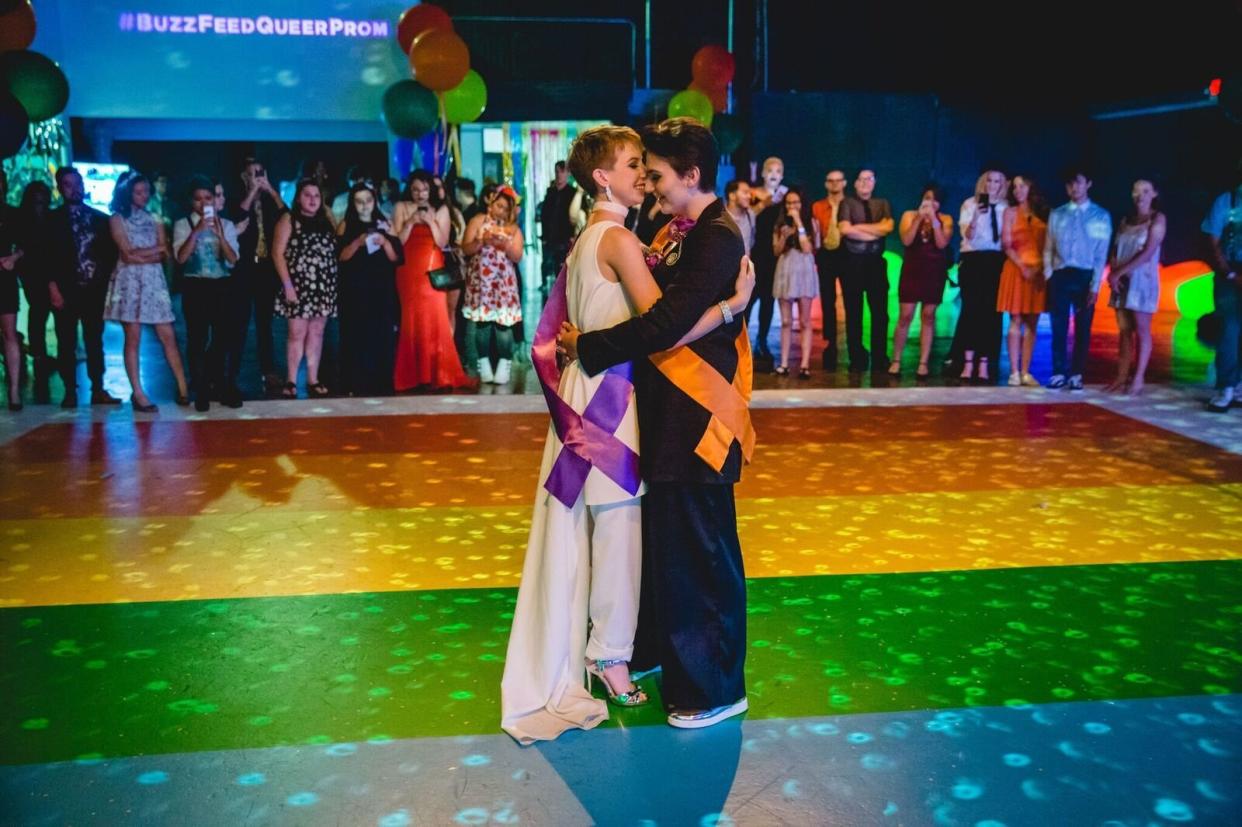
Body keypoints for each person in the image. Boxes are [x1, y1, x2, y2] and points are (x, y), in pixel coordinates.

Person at [501, 124, 753, 744]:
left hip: (684, 418)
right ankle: (639, 655)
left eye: (655, 170)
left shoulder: (710, 235)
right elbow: (663, 317)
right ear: (602, 177)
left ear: (690, 174)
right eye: (637, 167)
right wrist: (725, 307)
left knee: (689, 549)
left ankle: (709, 684)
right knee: (656, 545)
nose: (647, 180)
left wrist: (586, 345)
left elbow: (665, 322)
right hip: (639, 411)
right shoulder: (647, 235)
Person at [103, 171, 189, 412]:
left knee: (168, 334)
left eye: (145, 191)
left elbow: (165, 252)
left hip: (153, 281)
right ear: (127, 193)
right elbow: (127, 255)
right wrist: (153, 251)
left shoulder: (155, 218)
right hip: (129, 282)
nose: (143, 196)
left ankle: (183, 387)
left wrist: (146, 253)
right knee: (133, 338)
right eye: (138, 192)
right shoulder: (117, 219)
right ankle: (138, 393)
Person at [47, 167, 122, 408]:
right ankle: (70, 389)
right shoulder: (52, 220)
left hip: (93, 289)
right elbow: (43, 257)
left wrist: (106, 284)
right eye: (68, 184)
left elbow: (111, 256)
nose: (75, 188)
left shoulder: (99, 218)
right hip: (65, 288)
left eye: (77, 183)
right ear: (60, 188)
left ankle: (98, 387)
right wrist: (53, 288)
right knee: (66, 340)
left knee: (94, 339)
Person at [391, 170, 471, 391]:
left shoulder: (442, 209)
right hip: (407, 270)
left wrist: (430, 221)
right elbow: (397, 241)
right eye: (416, 189)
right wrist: (410, 222)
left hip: (431, 268)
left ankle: (438, 374)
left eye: (425, 189)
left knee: (436, 319)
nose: (420, 194)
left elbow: (442, 240)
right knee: (410, 319)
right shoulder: (401, 208)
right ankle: (412, 376)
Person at [173, 176, 241, 411]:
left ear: (215, 200)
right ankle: (201, 389)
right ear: (191, 201)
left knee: (222, 338)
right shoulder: (183, 224)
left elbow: (233, 260)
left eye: (208, 198)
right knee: (197, 338)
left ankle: (219, 384)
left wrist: (220, 235)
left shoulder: (227, 224)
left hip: (221, 286)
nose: (203, 203)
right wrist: (197, 231)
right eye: (198, 199)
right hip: (195, 286)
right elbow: (181, 258)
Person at [1044, 168, 1112, 392]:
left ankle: (1076, 373)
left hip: (1085, 275)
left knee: (1083, 327)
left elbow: (1101, 253)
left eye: (1079, 183)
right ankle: (1058, 372)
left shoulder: (1100, 215)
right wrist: (1048, 274)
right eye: (1070, 184)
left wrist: (1095, 285)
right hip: (1061, 274)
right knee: (1058, 325)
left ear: (1088, 184)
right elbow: (1048, 247)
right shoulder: (1058, 213)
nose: (1075, 188)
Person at [272, 178, 339, 399]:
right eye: (307, 195)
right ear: (299, 197)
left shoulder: (326, 220)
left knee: (317, 332)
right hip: (299, 286)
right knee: (296, 333)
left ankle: (313, 378)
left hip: (323, 286)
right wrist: (288, 286)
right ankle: (291, 380)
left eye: (316, 196)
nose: (312, 200)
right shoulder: (288, 219)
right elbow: (277, 253)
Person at [337, 183, 402, 397]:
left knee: (382, 335)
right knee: (356, 335)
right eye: (359, 201)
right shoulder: (346, 224)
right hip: (355, 290)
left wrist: (384, 242)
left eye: (368, 200)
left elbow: (397, 258)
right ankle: (355, 382)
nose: (364, 206)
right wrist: (358, 242)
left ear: (374, 201)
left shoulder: (385, 223)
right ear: (353, 204)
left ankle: (382, 381)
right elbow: (341, 257)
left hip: (381, 288)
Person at [231, 158, 286, 397]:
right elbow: (236, 215)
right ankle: (232, 373)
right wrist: (252, 191)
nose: (257, 177)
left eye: (261, 173)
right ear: (244, 177)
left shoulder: (270, 201)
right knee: (239, 321)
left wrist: (270, 189)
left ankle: (269, 370)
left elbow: (286, 214)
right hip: (243, 268)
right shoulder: (236, 197)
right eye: (253, 174)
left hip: (265, 268)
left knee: (265, 323)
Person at [1105, 180, 1166, 396]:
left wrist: (1119, 273)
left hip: (1142, 281)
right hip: (1121, 281)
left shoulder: (1157, 219)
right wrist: (1114, 271)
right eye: (1137, 191)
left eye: (1146, 191)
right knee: (1124, 331)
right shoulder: (1125, 220)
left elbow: (1148, 251)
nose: (1140, 195)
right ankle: (1121, 377)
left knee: (1141, 330)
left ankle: (1138, 378)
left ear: (1154, 193)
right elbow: (1115, 249)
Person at [462, 186, 524, 386]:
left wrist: (505, 245)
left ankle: (504, 364)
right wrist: (482, 241)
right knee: (482, 324)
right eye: (498, 206)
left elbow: (517, 255)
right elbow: (466, 248)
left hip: (502, 284)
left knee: (503, 326)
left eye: (506, 208)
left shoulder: (513, 229)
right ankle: (484, 363)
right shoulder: (478, 221)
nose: (501, 211)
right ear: (491, 203)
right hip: (482, 283)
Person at [891, 184, 953, 378]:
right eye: (927, 198)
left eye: (934, 199)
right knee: (905, 315)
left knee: (928, 315)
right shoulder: (909, 215)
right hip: (912, 269)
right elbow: (906, 240)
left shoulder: (945, 219)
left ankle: (923, 362)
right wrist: (919, 218)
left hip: (934, 271)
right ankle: (896, 360)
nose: (930, 202)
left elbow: (942, 243)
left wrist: (933, 219)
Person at [954, 170, 1009, 382]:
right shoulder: (969, 204)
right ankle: (968, 363)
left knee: (991, 313)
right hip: (973, 259)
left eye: (997, 181)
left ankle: (984, 363)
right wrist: (977, 214)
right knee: (971, 310)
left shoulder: (1006, 208)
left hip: (995, 261)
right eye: (989, 181)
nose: (993, 185)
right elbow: (966, 234)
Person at [837, 168, 895, 372]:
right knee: (854, 313)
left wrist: (858, 228)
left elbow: (888, 228)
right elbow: (844, 229)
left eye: (869, 179)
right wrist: (875, 230)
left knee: (880, 313)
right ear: (855, 183)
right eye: (861, 179)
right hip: (852, 263)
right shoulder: (847, 203)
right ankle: (857, 357)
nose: (865, 182)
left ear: (874, 182)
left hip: (876, 264)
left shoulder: (882, 203)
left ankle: (880, 356)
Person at [996, 175, 1048, 387]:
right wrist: (1023, 266)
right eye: (1015, 187)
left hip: (1038, 271)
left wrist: (1038, 267)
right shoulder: (1010, 213)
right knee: (1016, 319)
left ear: (1030, 188)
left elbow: (1050, 244)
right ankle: (1014, 372)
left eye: (1022, 186)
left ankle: (1026, 371)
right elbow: (1007, 244)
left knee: (1033, 322)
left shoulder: (1042, 213)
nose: (1018, 190)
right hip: (1016, 269)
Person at [1204, 162, 1242, 412]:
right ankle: (1225, 386)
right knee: (1229, 328)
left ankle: (1238, 384)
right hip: (1230, 273)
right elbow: (1213, 240)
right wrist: (1229, 272)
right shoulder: (1226, 201)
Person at [771, 185, 819, 378]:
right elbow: (776, 251)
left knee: (806, 321)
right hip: (785, 268)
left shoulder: (811, 222)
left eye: (796, 202)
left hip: (804, 268)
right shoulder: (779, 224)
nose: (792, 206)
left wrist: (798, 223)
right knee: (785, 321)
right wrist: (783, 237)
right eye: (789, 203)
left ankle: (805, 364)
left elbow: (809, 248)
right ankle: (783, 363)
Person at [15, 180, 55, 403]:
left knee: (40, 311)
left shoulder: (43, 218)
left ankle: (40, 354)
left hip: (40, 269)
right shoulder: (29, 218)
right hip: (32, 270)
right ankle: (39, 354)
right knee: (40, 310)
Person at [746, 157, 786, 359]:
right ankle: (742, 341)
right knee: (748, 298)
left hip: (775, 255)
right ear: (762, 172)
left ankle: (762, 341)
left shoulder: (786, 196)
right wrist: (765, 203)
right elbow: (745, 216)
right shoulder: (752, 194)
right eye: (770, 169)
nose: (774, 174)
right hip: (754, 252)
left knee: (768, 300)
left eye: (778, 171)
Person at [812, 169, 847, 369]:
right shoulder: (818, 206)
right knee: (828, 301)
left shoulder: (849, 204)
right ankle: (831, 343)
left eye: (838, 181)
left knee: (852, 300)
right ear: (826, 184)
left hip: (847, 255)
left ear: (844, 183)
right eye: (830, 181)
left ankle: (853, 345)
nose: (834, 184)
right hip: (826, 255)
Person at [539, 161, 577, 304]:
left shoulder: (572, 193)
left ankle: (560, 299)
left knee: (561, 269)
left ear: (567, 174)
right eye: (558, 172)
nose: (560, 175)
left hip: (564, 238)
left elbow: (575, 216)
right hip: (550, 237)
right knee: (547, 264)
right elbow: (544, 214)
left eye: (562, 172)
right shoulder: (551, 192)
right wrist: (544, 235)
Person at [0, 176, 22, 410]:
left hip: (5, 277)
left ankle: (14, 390)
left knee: (10, 334)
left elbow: (26, 244)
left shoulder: (11, 214)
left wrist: (14, 257)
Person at [724, 179, 755, 257]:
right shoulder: (720, 217)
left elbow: (751, 242)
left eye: (749, 193)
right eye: (745, 192)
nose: (749, 196)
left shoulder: (750, 215)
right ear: (732, 196)